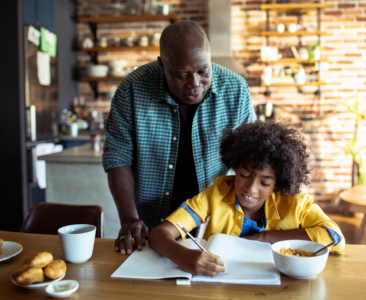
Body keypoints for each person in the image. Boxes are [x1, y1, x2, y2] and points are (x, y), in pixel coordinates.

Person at [102, 21, 256, 255]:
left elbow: (253, 158)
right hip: (152, 228)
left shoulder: (236, 90)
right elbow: (118, 157)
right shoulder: (132, 90)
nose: (194, 84)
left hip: (217, 226)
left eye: (203, 71)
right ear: (162, 65)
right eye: (181, 74)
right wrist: (128, 219)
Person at [148, 120, 345, 277]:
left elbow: (334, 238)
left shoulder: (296, 203)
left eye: (265, 183)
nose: (251, 188)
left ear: (278, 183)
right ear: (234, 166)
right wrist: (182, 255)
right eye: (244, 175)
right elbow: (159, 235)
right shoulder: (216, 193)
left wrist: (262, 238)